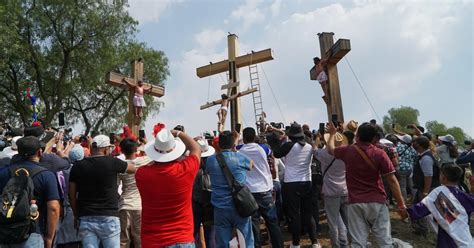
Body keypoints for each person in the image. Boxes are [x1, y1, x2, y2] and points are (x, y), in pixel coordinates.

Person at [326, 122, 407, 247]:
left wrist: (331, 134)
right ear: (374, 138)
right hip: (377, 201)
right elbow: (392, 180)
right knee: (385, 242)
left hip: (355, 202)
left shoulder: (347, 151)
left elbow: (330, 149)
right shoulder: (380, 154)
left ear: (357, 135)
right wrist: (401, 205)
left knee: (358, 243)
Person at [136, 124, 201, 247]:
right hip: (182, 238)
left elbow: (148, 165)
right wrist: (178, 133)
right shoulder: (185, 170)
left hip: (153, 241)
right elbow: (196, 149)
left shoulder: (142, 174)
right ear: (174, 150)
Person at [69, 135, 136, 248]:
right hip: (109, 217)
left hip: (86, 216)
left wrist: (76, 214)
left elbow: (71, 194)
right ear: (106, 149)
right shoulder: (113, 162)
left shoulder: (77, 166)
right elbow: (132, 169)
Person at [0, 136, 61, 248]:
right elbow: (53, 208)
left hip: (4, 233)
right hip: (32, 233)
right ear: (39, 152)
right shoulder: (46, 175)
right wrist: (49, 237)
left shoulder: (3, 172)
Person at [269, 123, 320, 248]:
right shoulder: (309, 146)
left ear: (292, 135)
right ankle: (314, 241)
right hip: (307, 182)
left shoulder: (289, 146)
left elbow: (276, 154)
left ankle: (296, 243)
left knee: (294, 214)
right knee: (308, 214)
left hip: (291, 183)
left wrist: (275, 140)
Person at [206, 131, 254, 247]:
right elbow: (251, 166)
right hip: (240, 205)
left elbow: (207, 171)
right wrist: (235, 149)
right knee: (246, 240)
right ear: (233, 144)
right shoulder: (239, 157)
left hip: (220, 207)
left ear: (219, 144)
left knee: (222, 243)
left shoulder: (211, 160)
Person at [237, 127, 283, 248]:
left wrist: (237, 138)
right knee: (272, 223)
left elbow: (234, 147)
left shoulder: (239, 150)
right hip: (265, 189)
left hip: (249, 192)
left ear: (244, 138)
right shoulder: (264, 148)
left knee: (254, 224)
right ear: (254, 137)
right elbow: (271, 155)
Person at [408, 165, 474, 247]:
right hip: (464, 239)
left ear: (444, 178)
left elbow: (421, 209)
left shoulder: (438, 193)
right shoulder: (463, 195)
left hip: (447, 239)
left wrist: (405, 212)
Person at [314, 132, 349, 248]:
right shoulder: (347, 154)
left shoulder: (325, 154)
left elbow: (314, 150)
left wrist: (317, 139)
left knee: (333, 223)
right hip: (345, 190)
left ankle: (336, 245)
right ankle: (347, 242)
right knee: (347, 221)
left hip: (331, 192)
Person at [118, 139, 151, 248]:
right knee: (139, 240)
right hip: (139, 205)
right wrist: (145, 143)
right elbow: (154, 154)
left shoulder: (120, 166)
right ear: (136, 149)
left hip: (124, 205)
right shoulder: (144, 161)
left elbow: (116, 185)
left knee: (123, 241)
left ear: (122, 151)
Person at [412, 136, 441, 237]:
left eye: (415, 142)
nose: (413, 143)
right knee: (417, 207)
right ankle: (422, 229)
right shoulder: (424, 155)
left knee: (422, 208)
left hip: (427, 188)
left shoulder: (426, 158)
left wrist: (425, 192)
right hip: (425, 188)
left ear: (419, 145)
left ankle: (425, 230)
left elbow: (428, 176)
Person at [192, 139, 216, 248]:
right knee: (210, 235)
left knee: (194, 234)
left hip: (195, 203)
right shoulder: (214, 165)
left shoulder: (192, 166)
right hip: (210, 203)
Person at [395, 134, 417, 203]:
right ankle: (414, 200)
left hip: (401, 168)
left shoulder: (399, 146)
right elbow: (415, 158)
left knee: (403, 186)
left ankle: (403, 201)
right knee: (412, 186)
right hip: (410, 169)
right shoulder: (412, 149)